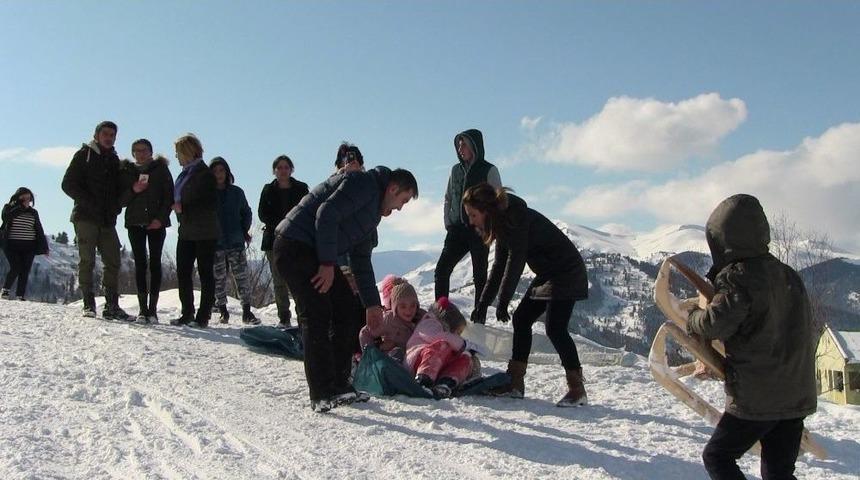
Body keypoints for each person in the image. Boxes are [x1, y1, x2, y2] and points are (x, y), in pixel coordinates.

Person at [683, 194, 817, 480]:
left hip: (758, 397)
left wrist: (693, 315)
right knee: (778, 473)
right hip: (796, 392)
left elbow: (713, 325)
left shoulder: (739, 277)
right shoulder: (789, 274)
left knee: (717, 456)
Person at [273, 164, 418, 412]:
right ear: (392, 189)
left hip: (314, 252)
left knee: (347, 309)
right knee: (316, 314)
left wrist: (372, 305)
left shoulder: (371, 213)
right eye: (402, 200)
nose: (399, 208)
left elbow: (360, 260)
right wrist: (328, 263)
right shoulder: (363, 184)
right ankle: (321, 392)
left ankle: (340, 384)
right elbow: (326, 213)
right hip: (294, 245)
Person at [463, 183, 589, 407]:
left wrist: (503, 301)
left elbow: (515, 262)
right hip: (549, 272)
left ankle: (577, 389)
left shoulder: (516, 218)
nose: (471, 221)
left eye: (473, 215)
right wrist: (483, 303)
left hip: (566, 271)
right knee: (521, 319)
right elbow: (499, 265)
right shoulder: (503, 221)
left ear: (486, 211)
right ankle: (515, 382)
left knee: (555, 328)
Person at [61, 121, 129, 320]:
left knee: (113, 260)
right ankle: (88, 303)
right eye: (105, 134)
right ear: (97, 135)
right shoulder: (84, 155)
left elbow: (118, 190)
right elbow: (67, 184)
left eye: (112, 135)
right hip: (85, 217)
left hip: (107, 219)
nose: (109, 137)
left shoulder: (115, 160)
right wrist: (88, 202)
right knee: (87, 260)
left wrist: (116, 206)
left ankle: (111, 305)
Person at [434, 129, 502, 322]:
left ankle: (479, 316)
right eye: (458, 144)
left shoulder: (489, 170)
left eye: (464, 144)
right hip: (456, 229)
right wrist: (448, 221)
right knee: (442, 270)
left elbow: (498, 199)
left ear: (474, 146)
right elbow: (448, 197)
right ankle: (441, 315)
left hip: (479, 229)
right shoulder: (455, 170)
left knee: (479, 274)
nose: (460, 148)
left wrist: (490, 226)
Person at [119, 139, 174, 323]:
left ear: (151, 152)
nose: (140, 154)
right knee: (140, 264)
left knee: (156, 264)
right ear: (133, 153)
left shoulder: (160, 169)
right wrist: (134, 190)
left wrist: (160, 219)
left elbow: (169, 197)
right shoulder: (127, 171)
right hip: (135, 223)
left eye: (144, 150)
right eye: (136, 151)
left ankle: (153, 310)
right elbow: (121, 200)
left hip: (156, 223)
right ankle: (142, 309)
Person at [169, 134, 218, 328]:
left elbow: (209, 202)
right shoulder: (185, 173)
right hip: (187, 230)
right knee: (183, 271)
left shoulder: (204, 174)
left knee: (205, 273)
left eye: (178, 153)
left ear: (188, 152)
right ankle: (187, 312)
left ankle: (203, 315)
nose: (176, 157)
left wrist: (184, 208)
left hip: (205, 231)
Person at [257, 155, 309, 326]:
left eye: (286, 167)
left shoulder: (301, 189)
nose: (283, 170)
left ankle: (303, 316)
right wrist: (280, 224)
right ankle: (283, 317)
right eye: (279, 167)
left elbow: (308, 210)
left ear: (291, 169)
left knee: (298, 281)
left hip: (297, 240)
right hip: (273, 240)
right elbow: (262, 214)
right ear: (274, 171)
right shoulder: (268, 190)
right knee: (279, 281)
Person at [210, 156, 258, 325]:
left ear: (227, 172)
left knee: (242, 277)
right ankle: (223, 310)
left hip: (236, 241)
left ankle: (247, 311)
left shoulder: (236, 192)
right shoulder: (208, 193)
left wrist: (243, 230)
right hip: (216, 242)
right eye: (215, 171)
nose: (219, 174)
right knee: (219, 278)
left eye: (221, 170)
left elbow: (247, 212)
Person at [405, 297, 481, 399]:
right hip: (416, 361)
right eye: (457, 333)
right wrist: (463, 344)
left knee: (464, 357)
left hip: (436, 367)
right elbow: (439, 336)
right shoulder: (429, 322)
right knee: (442, 345)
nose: (457, 336)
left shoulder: (448, 337)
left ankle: (446, 382)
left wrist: (468, 354)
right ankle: (423, 380)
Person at [359, 276, 424, 363]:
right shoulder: (389, 319)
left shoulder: (422, 317)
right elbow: (365, 333)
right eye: (403, 306)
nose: (408, 310)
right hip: (393, 364)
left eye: (413, 305)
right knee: (397, 352)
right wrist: (376, 350)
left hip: (415, 361)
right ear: (395, 307)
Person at [1, 187, 49, 300]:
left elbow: (39, 229)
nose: (27, 200)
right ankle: (5, 290)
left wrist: (45, 247)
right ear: (18, 197)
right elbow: (6, 218)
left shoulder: (33, 213)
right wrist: (21, 207)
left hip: (29, 245)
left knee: (25, 269)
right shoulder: (8, 208)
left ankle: (20, 295)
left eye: (29, 198)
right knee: (16, 267)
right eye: (24, 197)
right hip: (11, 244)